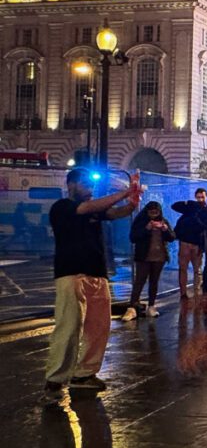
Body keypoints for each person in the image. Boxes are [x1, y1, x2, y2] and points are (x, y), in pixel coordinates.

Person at [42, 168, 140, 404]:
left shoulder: (94, 209)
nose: (90, 189)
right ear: (71, 185)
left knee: (99, 326)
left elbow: (119, 212)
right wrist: (125, 191)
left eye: (91, 185)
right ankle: (55, 380)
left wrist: (133, 201)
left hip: (97, 271)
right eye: (85, 184)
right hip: (71, 271)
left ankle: (85, 373)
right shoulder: (63, 207)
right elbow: (88, 208)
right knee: (69, 325)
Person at [123, 201, 175, 321]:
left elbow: (172, 237)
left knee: (154, 281)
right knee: (139, 281)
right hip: (143, 256)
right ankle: (132, 307)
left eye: (156, 212)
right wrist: (147, 229)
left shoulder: (163, 221)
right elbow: (133, 237)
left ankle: (151, 306)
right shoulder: (140, 221)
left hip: (159, 256)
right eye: (151, 213)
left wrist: (165, 230)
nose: (153, 215)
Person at [172, 188, 207, 300]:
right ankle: (183, 293)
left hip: (197, 243)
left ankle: (196, 291)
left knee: (197, 269)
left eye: (202, 197)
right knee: (183, 268)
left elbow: (205, 225)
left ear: (206, 197)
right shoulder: (191, 207)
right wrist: (188, 203)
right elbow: (175, 206)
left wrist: (194, 215)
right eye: (198, 197)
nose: (200, 199)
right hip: (185, 241)